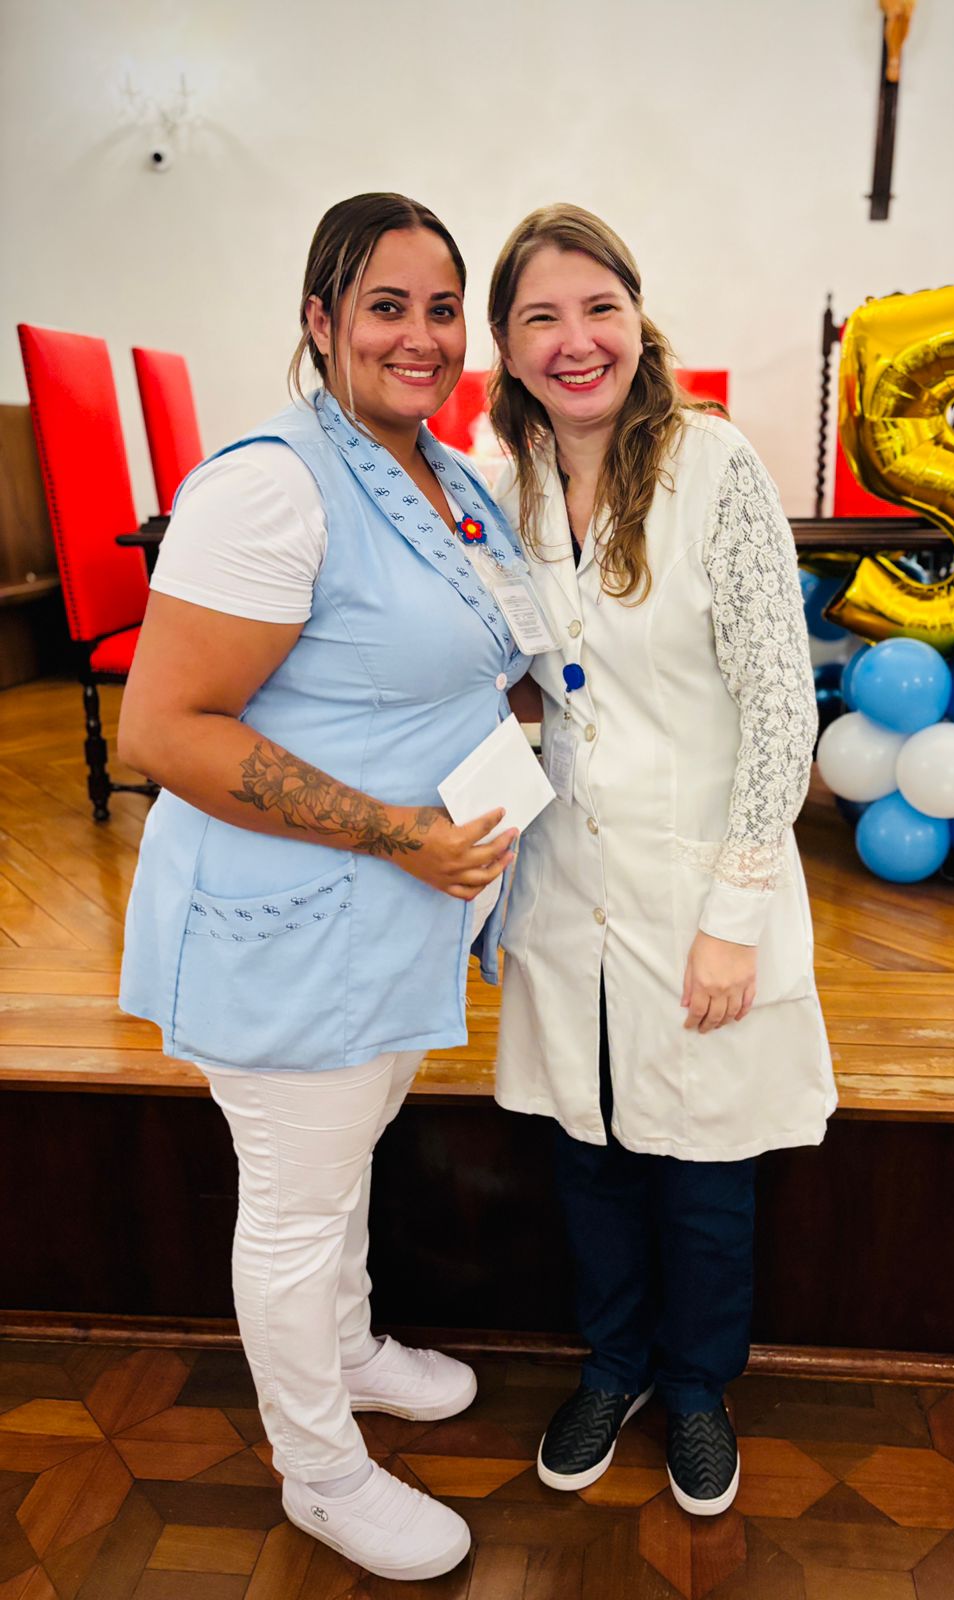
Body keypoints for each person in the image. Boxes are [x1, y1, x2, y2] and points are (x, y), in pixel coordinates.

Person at [118, 193, 531, 1582]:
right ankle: (319, 1471)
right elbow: (162, 730)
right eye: (384, 306)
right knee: (295, 1205)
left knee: (347, 1155)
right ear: (319, 319)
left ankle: (346, 1350)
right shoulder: (272, 486)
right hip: (292, 919)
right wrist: (396, 833)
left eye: (440, 308)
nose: (421, 337)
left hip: (395, 910)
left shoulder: (438, 468)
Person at [487, 205, 836, 1517]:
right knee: (587, 1150)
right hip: (567, 887)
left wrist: (733, 917)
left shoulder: (712, 465)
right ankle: (614, 1365)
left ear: (638, 318)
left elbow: (782, 710)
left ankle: (694, 1387)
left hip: (699, 887)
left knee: (701, 1164)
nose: (576, 341)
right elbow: (511, 687)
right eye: (541, 317)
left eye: (600, 308)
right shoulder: (504, 485)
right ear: (507, 346)